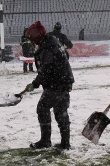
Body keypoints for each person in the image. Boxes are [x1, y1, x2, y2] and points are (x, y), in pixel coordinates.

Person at [24, 21, 75, 150]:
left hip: (56, 84)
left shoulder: (47, 47)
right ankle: (65, 143)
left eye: (31, 39)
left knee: (42, 108)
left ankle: (45, 141)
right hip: (64, 81)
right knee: (61, 111)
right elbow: (64, 57)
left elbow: (45, 70)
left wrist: (34, 84)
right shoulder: (52, 41)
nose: (31, 42)